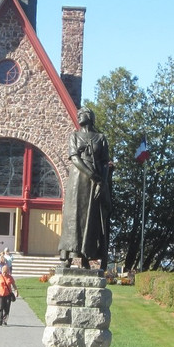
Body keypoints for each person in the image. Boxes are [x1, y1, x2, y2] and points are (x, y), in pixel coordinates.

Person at [58, 107, 112, 268]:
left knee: (91, 217)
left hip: (95, 182)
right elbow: (74, 157)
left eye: (82, 114)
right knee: (73, 215)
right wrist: (92, 175)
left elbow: (104, 162)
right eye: (78, 114)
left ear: (89, 117)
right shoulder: (74, 136)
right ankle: (66, 254)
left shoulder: (101, 138)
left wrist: (101, 180)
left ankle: (86, 255)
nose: (79, 116)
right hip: (78, 178)